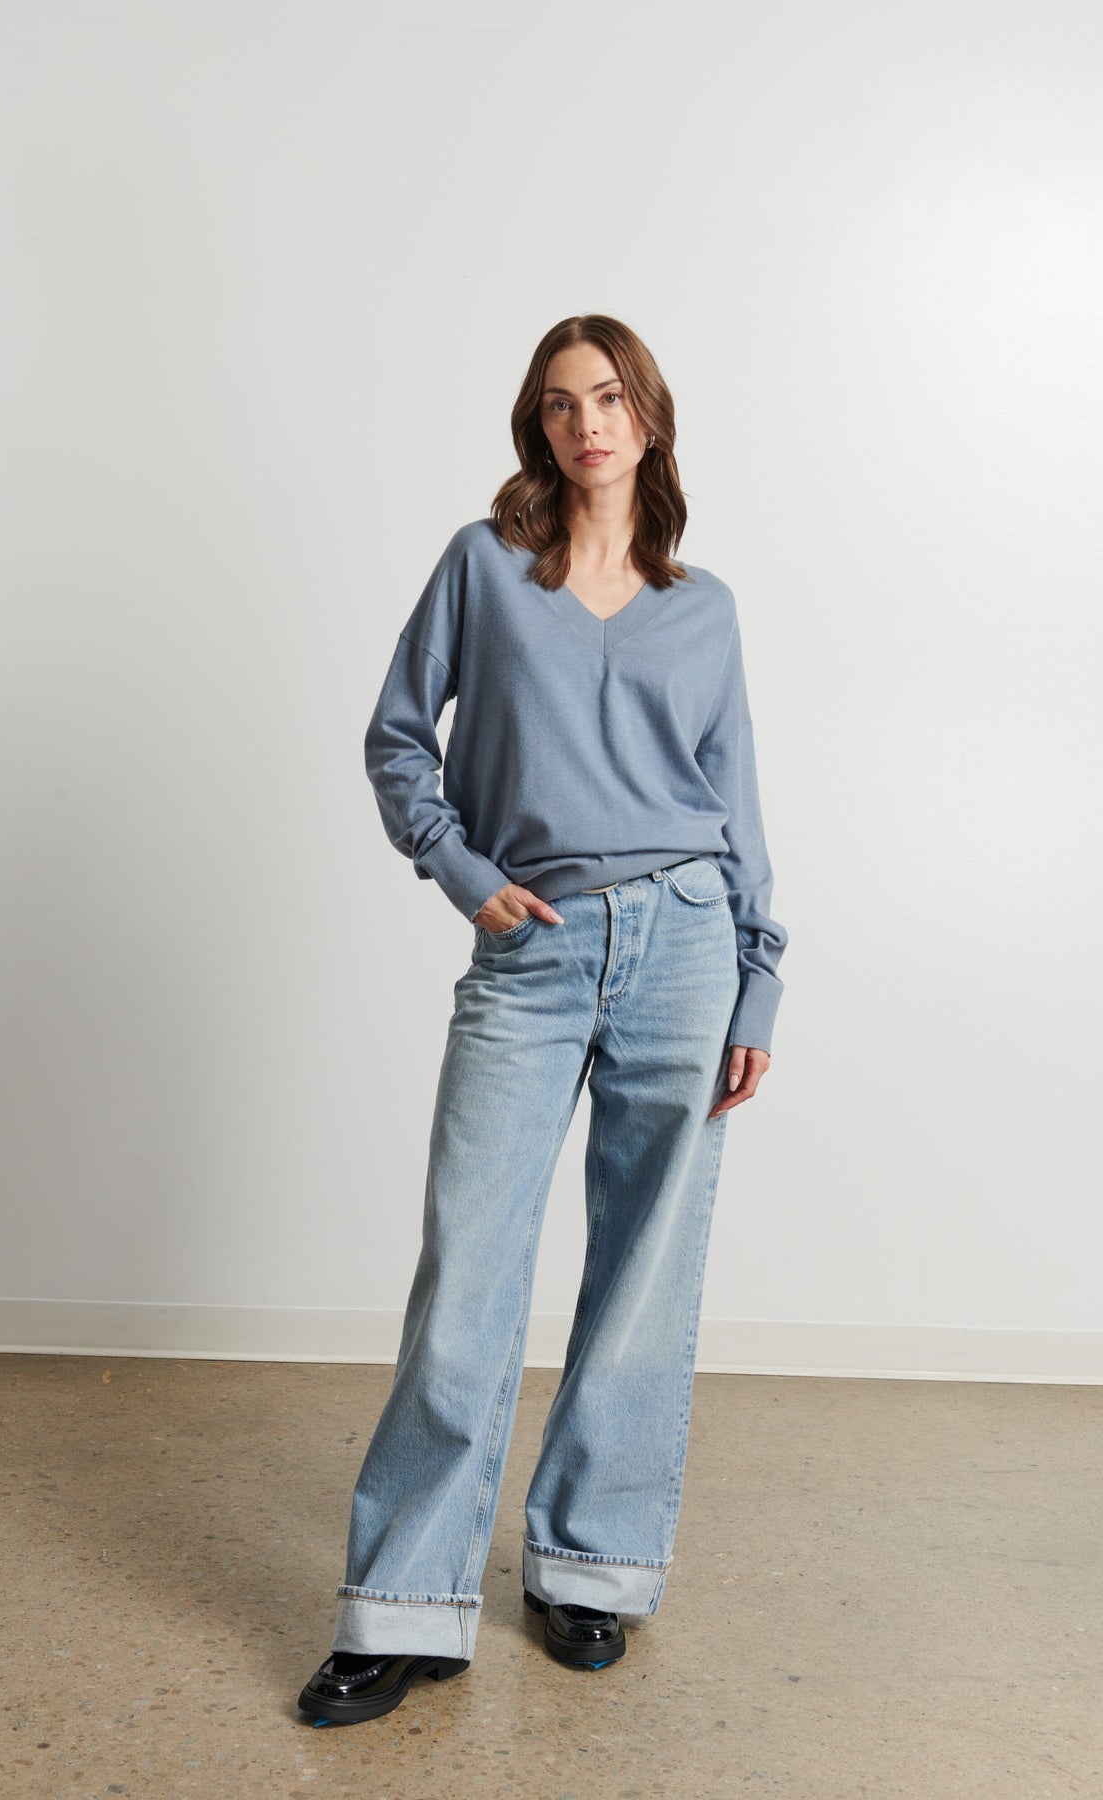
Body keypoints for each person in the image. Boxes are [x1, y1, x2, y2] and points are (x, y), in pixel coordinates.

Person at [298, 314, 788, 1726]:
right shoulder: (484, 568)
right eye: (564, 403)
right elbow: (399, 737)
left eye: (612, 397)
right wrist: (465, 874)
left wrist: (760, 975)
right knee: (470, 1266)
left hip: (686, 944)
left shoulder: (706, 608)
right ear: (540, 426)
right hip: (534, 949)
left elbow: (738, 806)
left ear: (649, 417)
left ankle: (589, 1569)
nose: (589, 424)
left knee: (643, 1279)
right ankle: (404, 1607)